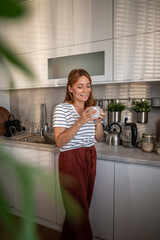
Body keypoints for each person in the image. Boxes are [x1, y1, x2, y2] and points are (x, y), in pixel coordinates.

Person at [53, 69, 105, 240]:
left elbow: (98, 138)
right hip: (71, 159)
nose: (85, 90)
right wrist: (80, 121)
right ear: (70, 88)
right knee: (79, 211)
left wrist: (98, 122)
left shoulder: (91, 109)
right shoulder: (61, 109)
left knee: (82, 207)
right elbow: (60, 141)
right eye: (80, 86)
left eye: (88, 86)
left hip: (90, 156)